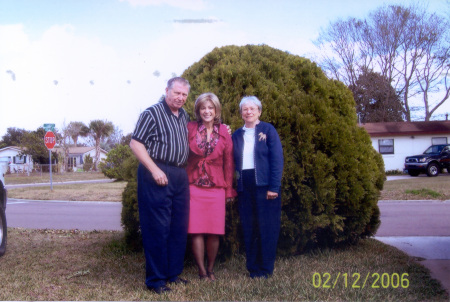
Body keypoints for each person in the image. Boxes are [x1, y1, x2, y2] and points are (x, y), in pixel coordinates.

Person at [130, 77, 191, 294]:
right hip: (156, 173)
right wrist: (154, 169)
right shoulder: (151, 113)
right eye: (177, 93)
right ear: (167, 90)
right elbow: (135, 143)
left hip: (180, 175)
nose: (180, 98)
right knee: (158, 228)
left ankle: (173, 274)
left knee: (178, 227)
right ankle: (156, 280)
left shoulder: (185, 116)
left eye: (184, 95)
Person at [186, 93, 236, 281]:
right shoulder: (189, 128)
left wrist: (229, 189)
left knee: (215, 230)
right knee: (196, 229)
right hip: (194, 186)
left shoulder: (224, 130)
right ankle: (201, 271)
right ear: (198, 110)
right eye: (203, 108)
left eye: (210, 108)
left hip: (216, 188)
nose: (207, 111)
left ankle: (211, 269)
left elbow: (228, 162)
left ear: (216, 111)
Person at [232, 96, 284, 278]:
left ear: (259, 111)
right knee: (249, 227)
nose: (249, 112)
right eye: (245, 109)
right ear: (241, 113)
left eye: (252, 109)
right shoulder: (236, 135)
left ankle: (265, 269)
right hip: (244, 186)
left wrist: (274, 187)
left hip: (264, 186)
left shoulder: (268, 130)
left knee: (267, 227)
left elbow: (277, 160)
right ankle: (252, 268)